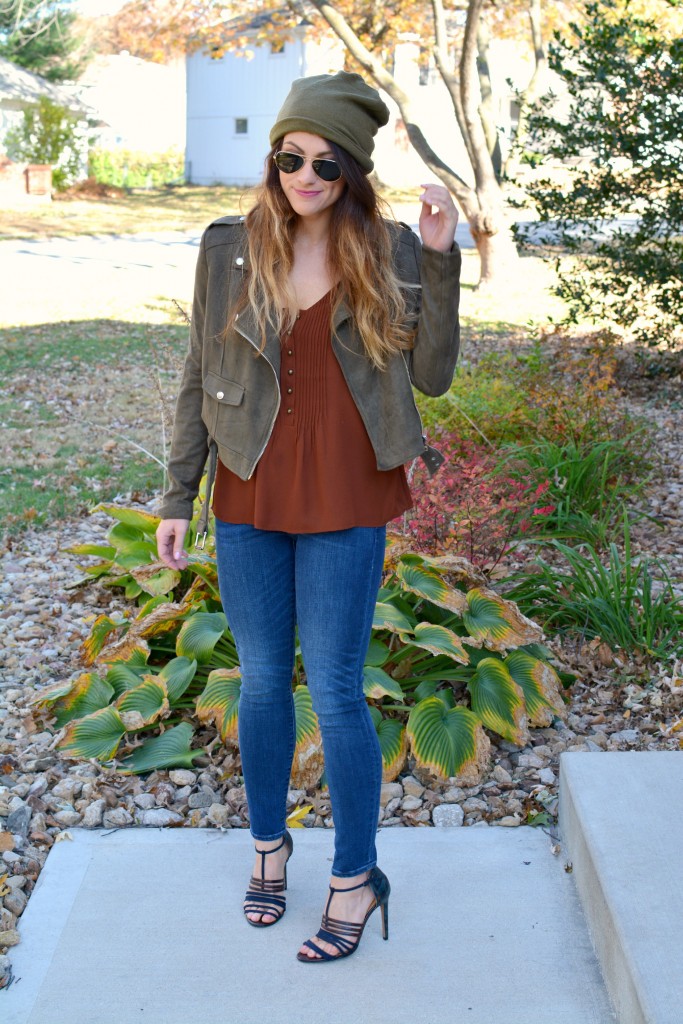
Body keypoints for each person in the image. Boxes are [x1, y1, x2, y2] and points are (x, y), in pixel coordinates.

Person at [156, 70, 461, 963]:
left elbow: (433, 375)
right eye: (291, 156)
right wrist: (179, 496)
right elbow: (192, 380)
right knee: (258, 683)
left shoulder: (392, 248)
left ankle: (354, 878)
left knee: (332, 690)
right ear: (275, 156)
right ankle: (267, 849)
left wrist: (441, 259)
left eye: (326, 163)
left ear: (351, 171)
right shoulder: (227, 248)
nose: (305, 175)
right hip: (248, 490)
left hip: (346, 493)